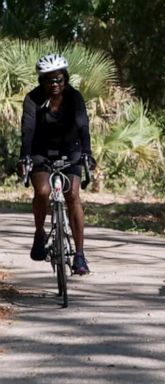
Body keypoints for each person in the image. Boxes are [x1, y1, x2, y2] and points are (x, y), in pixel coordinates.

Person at [18, 53, 93, 275]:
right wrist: (25, 156)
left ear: (65, 78)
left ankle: (79, 255)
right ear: (41, 81)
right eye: (49, 80)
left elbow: (83, 126)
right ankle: (40, 232)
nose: (55, 84)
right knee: (42, 191)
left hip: (71, 151)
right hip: (41, 153)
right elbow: (28, 130)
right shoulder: (32, 99)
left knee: (73, 197)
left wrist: (87, 152)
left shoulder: (74, 98)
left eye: (59, 79)